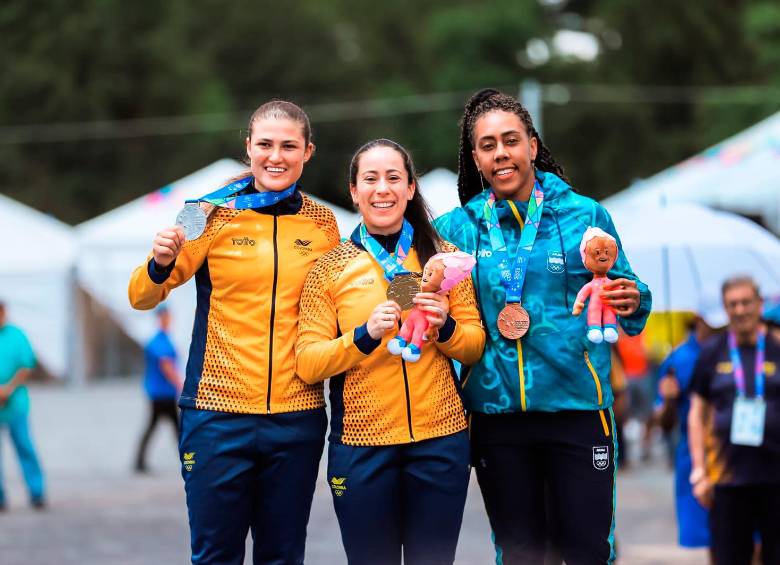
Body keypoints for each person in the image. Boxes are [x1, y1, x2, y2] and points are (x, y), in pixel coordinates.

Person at [434, 88, 651, 564]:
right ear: (475, 158)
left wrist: (632, 298)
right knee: (521, 556)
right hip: (496, 418)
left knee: (588, 552)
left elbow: (632, 296)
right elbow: (421, 290)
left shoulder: (584, 215)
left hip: (577, 408)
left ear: (532, 144)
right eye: (487, 145)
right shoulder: (458, 229)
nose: (501, 154)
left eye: (510, 140)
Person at [128, 100, 340, 564]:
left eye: (289, 145)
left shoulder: (324, 224)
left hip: (297, 416)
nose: (276, 156)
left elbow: (343, 305)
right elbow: (142, 297)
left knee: (282, 556)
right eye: (265, 144)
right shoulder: (206, 212)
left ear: (308, 152)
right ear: (249, 148)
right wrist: (159, 262)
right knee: (215, 556)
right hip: (217, 415)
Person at [296, 138, 485, 565]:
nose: (383, 188)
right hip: (362, 445)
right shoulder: (329, 268)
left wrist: (445, 327)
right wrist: (363, 335)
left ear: (411, 188)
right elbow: (308, 363)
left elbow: (474, 347)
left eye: (393, 178)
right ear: (354, 191)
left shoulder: (446, 260)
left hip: (440, 442)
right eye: (371, 179)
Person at [688, 276, 780, 565]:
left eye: (746, 303)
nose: (740, 310)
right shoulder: (711, 353)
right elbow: (696, 413)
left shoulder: (778, 347)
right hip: (727, 479)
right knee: (729, 557)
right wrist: (700, 471)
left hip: (776, 478)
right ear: (725, 309)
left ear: (759, 304)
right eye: (732, 304)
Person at [655, 311, 721, 550]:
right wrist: (669, 400)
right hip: (693, 457)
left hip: (739, 456)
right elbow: (663, 423)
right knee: (711, 540)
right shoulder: (678, 359)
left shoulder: (745, 349)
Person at [0, 300, 46, 510]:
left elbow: (27, 365)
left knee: (25, 447)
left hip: (15, 403)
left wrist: (8, 388)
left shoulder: (16, 335)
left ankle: (37, 492)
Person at [134, 306, 182, 474]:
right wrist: (180, 385)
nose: (168, 319)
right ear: (160, 318)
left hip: (161, 392)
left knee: (159, 427)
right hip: (162, 393)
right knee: (176, 429)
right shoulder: (159, 341)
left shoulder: (162, 339)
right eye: (165, 317)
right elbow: (166, 366)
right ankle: (189, 460)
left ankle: (139, 461)